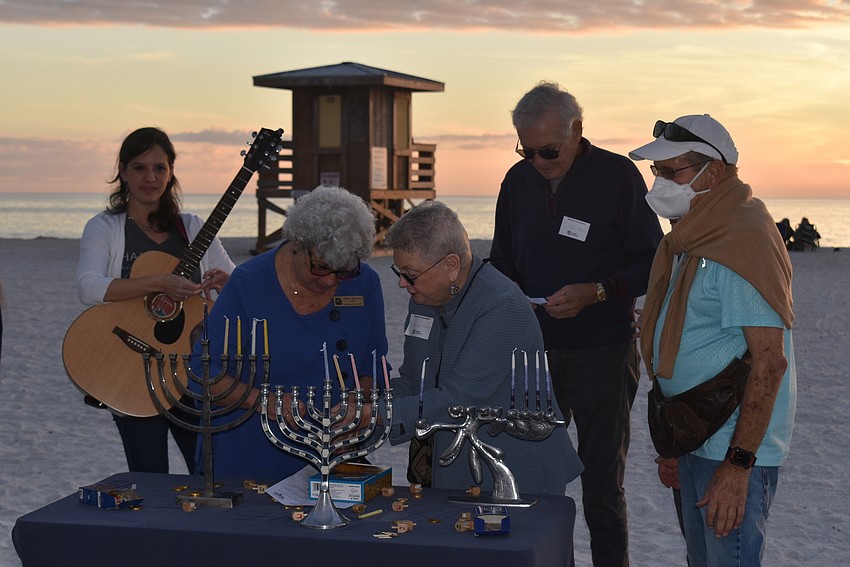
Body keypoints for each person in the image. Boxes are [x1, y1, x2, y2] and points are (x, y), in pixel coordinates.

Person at [489, 81, 663, 566]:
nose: (539, 162)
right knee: (529, 477)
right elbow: (501, 259)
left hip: (602, 352)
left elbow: (652, 260)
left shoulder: (618, 176)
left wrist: (596, 292)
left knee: (602, 487)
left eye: (550, 150)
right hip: (533, 354)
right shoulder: (517, 181)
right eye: (528, 151)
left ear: (578, 131)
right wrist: (511, 297)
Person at [630, 114, 796, 567]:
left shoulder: (740, 239)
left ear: (714, 172)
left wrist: (738, 467)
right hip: (695, 436)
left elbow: (769, 363)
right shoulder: (697, 234)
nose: (660, 181)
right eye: (656, 171)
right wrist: (675, 448)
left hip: (728, 447)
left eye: (672, 171)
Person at [385, 200, 583, 495]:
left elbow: (460, 398)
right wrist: (361, 409)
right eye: (398, 271)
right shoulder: (424, 299)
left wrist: (377, 415)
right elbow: (417, 382)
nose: (402, 283)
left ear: (451, 265)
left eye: (410, 274)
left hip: (515, 471)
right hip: (452, 467)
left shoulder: (502, 304)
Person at [191, 185, 388, 480]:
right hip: (249, 454)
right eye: (321, 268)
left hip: (332, 453)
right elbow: (201, 374)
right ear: (297, 244)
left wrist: (359, 399)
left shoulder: (364, 283)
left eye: (344, 270)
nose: (332, 281)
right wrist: (261, 401)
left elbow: (374, 365)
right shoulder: (248, 284)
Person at [75, 127, 235, 473]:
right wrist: (158, 282)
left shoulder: (192, 228)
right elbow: (88, 287)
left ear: (171, 172)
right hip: (132, 366)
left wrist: (228, 282)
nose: (150, 177)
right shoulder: (105, 227)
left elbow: (237, 287)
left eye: (159, 168)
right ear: (123, 171)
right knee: (148, 477)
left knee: (210, 472)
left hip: (190, 372)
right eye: (139, 167)